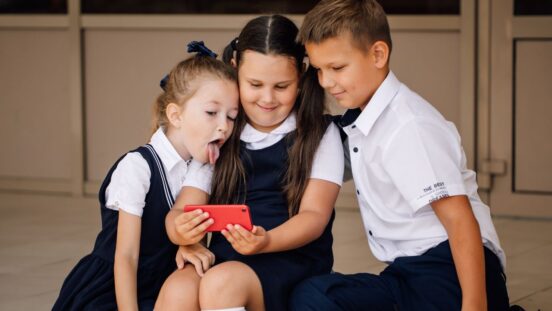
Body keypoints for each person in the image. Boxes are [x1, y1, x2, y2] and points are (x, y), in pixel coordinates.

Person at [289, 0, 511, 310]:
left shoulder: (409, 126)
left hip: (449, 272)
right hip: (406, 275)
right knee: (315, 295)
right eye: (319, 70)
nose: (326, 82)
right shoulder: (361, 120)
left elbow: (461, 221)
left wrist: (474, 305)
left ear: (378, 54)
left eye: (337, 68)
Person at [155, 15, 345, 311]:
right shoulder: (222, 129)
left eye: (281, 86)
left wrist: (266, 241)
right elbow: (182, 209)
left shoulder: (319, 133)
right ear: (235, 70)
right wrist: (182, 233)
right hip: (226, 256)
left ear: (302, 74)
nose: (267, 98)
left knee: (221, 283)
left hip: (289, 258)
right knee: (178, 287)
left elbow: (314, 217)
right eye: (254, 84)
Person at [52, 42, 239, 311]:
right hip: (114, 287)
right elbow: (126, 256)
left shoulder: (204, 165)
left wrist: (189, 244)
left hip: (161, 283)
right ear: (176, 115)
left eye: (232, 117)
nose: (223, 126)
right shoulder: (137, 167)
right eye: (211, 113)